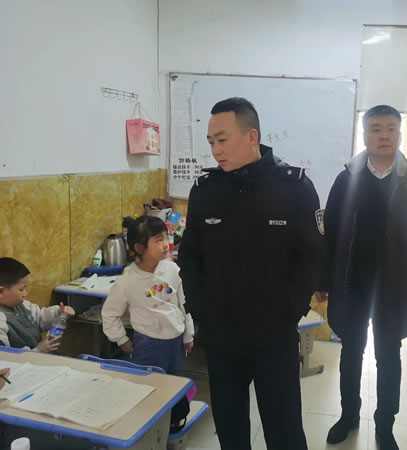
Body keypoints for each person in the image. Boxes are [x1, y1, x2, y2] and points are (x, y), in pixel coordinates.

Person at [178, 97, 322, 450]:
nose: (215, 150)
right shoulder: (205, 191)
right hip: (222, 336)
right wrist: (202, 311)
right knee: (230, 430)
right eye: (211, 141)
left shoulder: (294, 188)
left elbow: (311, 257)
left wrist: (289, 312)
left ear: (252, 136)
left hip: (274, 335)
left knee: (285, 431)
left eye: (222, 140)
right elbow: (190, 256)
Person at [315, 105, 407, 450]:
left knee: (389, 354)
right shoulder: (346, 179)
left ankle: (385, 424)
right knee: (351, 351)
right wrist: (323, 279)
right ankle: (348, 416)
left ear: (399, 133)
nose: (384, 136)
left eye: (391, 129)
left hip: (395, 286)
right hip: (351, 282)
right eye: (376, 129)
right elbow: (330, 233)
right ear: (365, 135)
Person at [102, 216, 194, 375]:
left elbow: (184, 304)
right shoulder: (128, 280)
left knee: (172, 384)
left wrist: (188, 335)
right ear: (139, 248)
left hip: (175, 340)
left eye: (166, 237)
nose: (166, 244)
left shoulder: (172, 269)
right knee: (150, 385)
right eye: (159, 240)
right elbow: (109, 313)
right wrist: (122, 340)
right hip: (148, 345)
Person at [0, 257, 75, 352]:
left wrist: (59, 312)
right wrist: (39, 350)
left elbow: (40, 318)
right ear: (1, 292)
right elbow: (6, 356)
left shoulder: (23, 305)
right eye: (21, 289)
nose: (25, 293)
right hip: (27, 360)